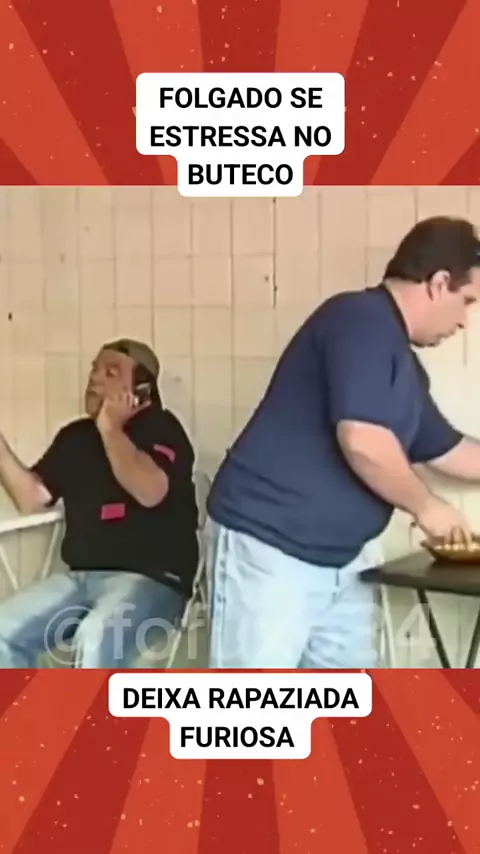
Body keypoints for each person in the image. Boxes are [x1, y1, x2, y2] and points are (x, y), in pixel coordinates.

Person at [206, 216, 480, 669]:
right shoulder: (359, 318)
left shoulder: (401, 364)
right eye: (466, 301)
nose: (464, 321)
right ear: (438, 283)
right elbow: (363, 440)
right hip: (272, 550)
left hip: (344, 561)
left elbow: (449, 451)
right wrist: (427, 507)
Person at [0, 338, 198, 668]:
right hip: (81, 578)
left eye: (111, 372)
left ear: (142, 390)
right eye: (94, 368)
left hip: (151, 579)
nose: (94, 377)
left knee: (95, 637)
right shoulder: (76, 436)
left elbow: (150, 491)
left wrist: (110, 429)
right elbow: (32, 498)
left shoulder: (162, 428)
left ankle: (93, 707)